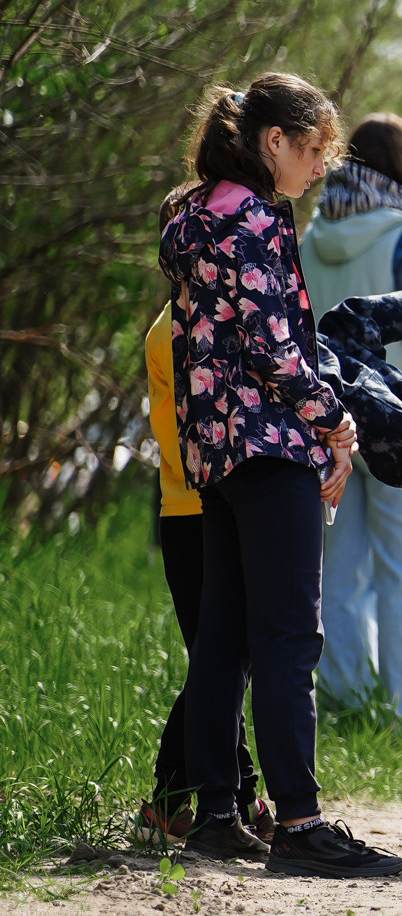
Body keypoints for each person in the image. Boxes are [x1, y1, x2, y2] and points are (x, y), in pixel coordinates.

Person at [156, 75, 402, 878]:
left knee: (224, 639)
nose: (319, 167)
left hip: (215, 455)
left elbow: (212, 342)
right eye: (314, 149)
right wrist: (335, 420)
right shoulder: (255, 218)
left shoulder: (192, 215)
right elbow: (274, 349)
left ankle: (218, 815)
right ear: (276, 142)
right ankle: (299, 823)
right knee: (291, 636)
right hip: (271, 447)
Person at [297, 113, 402, 717]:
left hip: (328, 416)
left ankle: (343, 699)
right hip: (398, 424)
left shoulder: (310, 235)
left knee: (337, 576)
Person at [134, 304, 268, 849]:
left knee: (222, 663)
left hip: (203, 507)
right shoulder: (178, 328)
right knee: (221, 661)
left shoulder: (209, 312)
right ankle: (178, 799)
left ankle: (235, 798)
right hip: (197, 510)